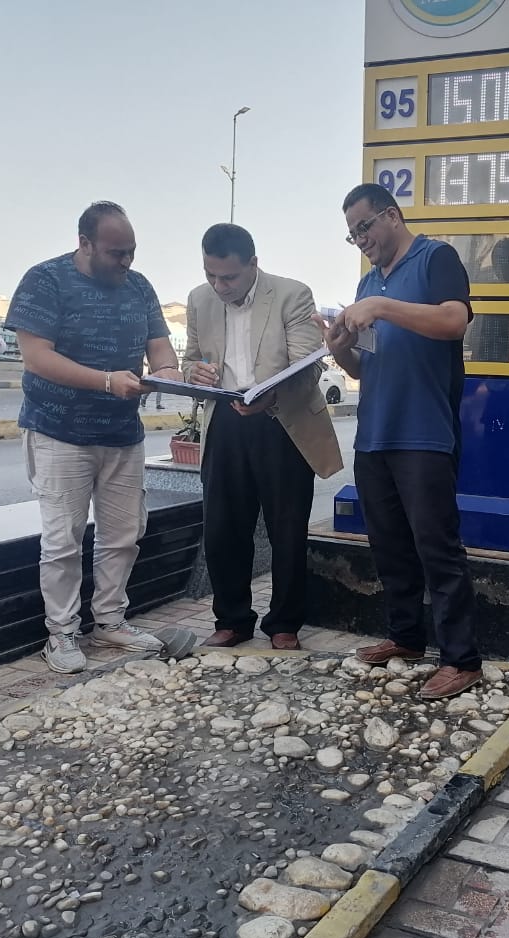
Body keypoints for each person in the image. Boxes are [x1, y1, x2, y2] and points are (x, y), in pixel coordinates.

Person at [319, 182, 483, 701]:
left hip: (424, 432)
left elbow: (454, 321)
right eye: (352, 234)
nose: (361, 239)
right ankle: (406, 637)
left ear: (392, 216)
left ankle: (462, 659)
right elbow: (362, 369)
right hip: (375, 433)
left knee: (437, 547)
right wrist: (338, 348)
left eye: (364, 227)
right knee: (388, 545)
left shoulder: (435, 258)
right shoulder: (369, 281)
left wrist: (383, 307)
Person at [7, 202, 182, 674]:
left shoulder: (139, 286)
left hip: (122, 433)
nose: (126, 261)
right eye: (115, 252)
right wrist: (106, 381)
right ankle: (62, 632)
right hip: (58, 432)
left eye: (131, 251)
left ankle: (109, 621)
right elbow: (37, 357)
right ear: (84, 243)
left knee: (124, 534)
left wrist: (168, 372)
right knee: (62, 540)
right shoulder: (45, 280)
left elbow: (160, 348)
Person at [182, 224, 342, 651]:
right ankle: (232, 620)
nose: (219, 286)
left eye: (229, 277)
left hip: (281, 421)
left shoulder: (292, 294)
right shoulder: (199, 299)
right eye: (211, 275)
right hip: (225, 421)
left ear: (253, 264)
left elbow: (309, 365)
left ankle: (285, 623)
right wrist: (194, 373)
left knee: (286, 529)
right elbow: (190, 360)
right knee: (222, 529)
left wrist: (270, 395)